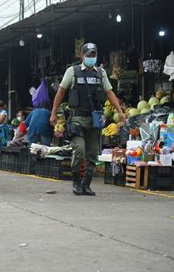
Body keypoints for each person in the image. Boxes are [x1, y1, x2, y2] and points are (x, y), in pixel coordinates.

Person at [50, 43, 126, 196]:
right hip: (77, 118)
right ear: (82, 56)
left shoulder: (101, 73)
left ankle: (87, 184)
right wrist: (53, 113)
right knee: (79, 150)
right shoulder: (72, 72)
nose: (91, 58)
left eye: (93, 55)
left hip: (95, 119)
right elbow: (61, 93)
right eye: (88, 55)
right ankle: (76, 182)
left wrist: (120, 111)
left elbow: (110, 93)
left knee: (92, 154)